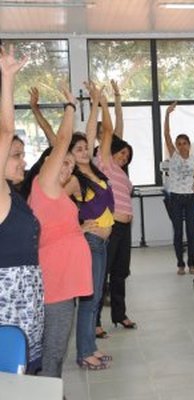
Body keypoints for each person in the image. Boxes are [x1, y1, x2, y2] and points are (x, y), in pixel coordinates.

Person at [25, 86, 93, 377]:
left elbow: (55, 229)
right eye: (62, 162)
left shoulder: (56, 193)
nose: (67, 167)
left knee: (54, 349)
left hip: (64, 281)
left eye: (69, 165)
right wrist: (70, 105)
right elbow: (63, 140)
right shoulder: (44, 183)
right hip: (57, 282)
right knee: (53, 350)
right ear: (48, 164)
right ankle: (49, 391)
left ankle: (49, 389)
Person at [0, 45, 45, 374]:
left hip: (26, 300)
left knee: (26, 375)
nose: (23, 161)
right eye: (16, 155)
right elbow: (5, 132)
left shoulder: (14, 195)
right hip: (8, 304)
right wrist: (7, 81)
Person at [65, 83, 114, 370]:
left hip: (103, 243)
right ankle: (84, 353)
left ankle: (90, 347)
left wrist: (96, 102)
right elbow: (52, 203)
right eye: (78, 149)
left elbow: (93, 133)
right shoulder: (73, 179)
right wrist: (78, 227)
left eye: (86, 148)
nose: (85, 151)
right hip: (91, 243)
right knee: (89, 300)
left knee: (94, 300)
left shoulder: (93, 170)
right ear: (70, 154)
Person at [94, 84, 137, 332]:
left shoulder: (121, 174)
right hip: (110, 228)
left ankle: (119, 315)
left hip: (125, 227)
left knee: (120, 273)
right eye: (121, 153)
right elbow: (111, 130)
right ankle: (96, 320)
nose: (124, 158)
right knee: (104, 273)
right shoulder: (105, 164)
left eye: (127, 156)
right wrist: (104, 103)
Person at [163, 101, 194, 275]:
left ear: (189, 144)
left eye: (184, 143)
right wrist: (167, 114)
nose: (181, 146)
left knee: (190, 232)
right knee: (178, 233)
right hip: (175, 198)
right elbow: (166, 134)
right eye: (178, 143)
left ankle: (192, 263)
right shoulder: (174, 156)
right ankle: (180, 264)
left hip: (189, 198)